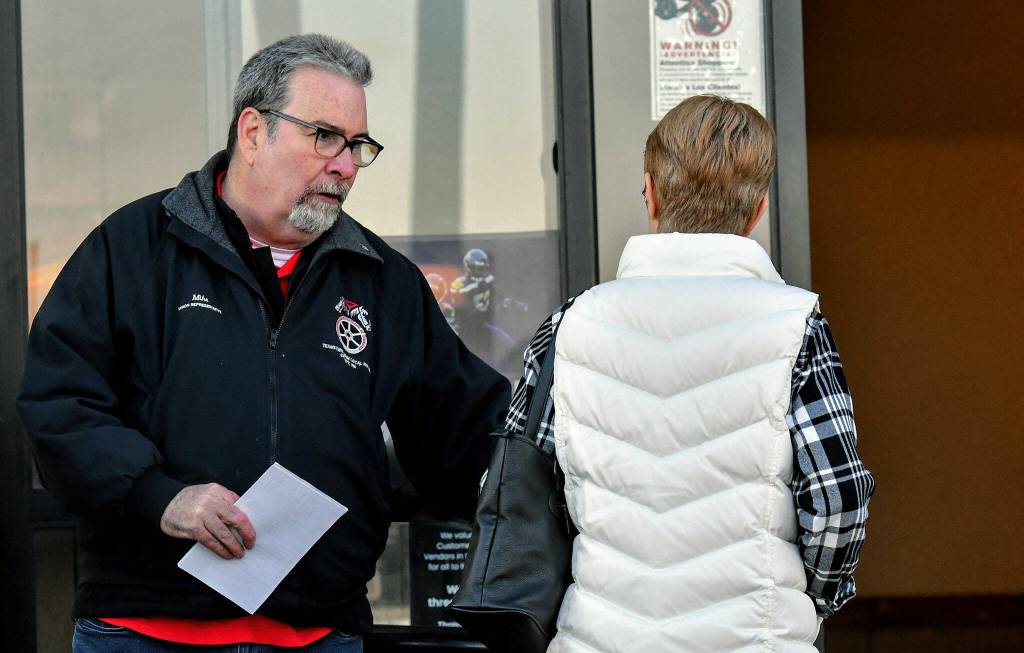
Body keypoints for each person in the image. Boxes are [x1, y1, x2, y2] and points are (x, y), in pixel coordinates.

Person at [18, 34, 509, 652]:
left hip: (319, 633)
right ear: (252, 132)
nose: (347, 165)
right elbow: (60, 404)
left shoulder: (382, 282)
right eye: (324, 136)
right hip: (145, 629)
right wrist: (160, 497)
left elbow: (461, 433)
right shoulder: (133, 248)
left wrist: (566, 462)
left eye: (358, 145)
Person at [506, 95, 875, 652]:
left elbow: (518, 482)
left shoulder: (569, 326)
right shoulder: (796, 327)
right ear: (759, 211)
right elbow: (837, 494)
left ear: (650, 192)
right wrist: (812, 597)